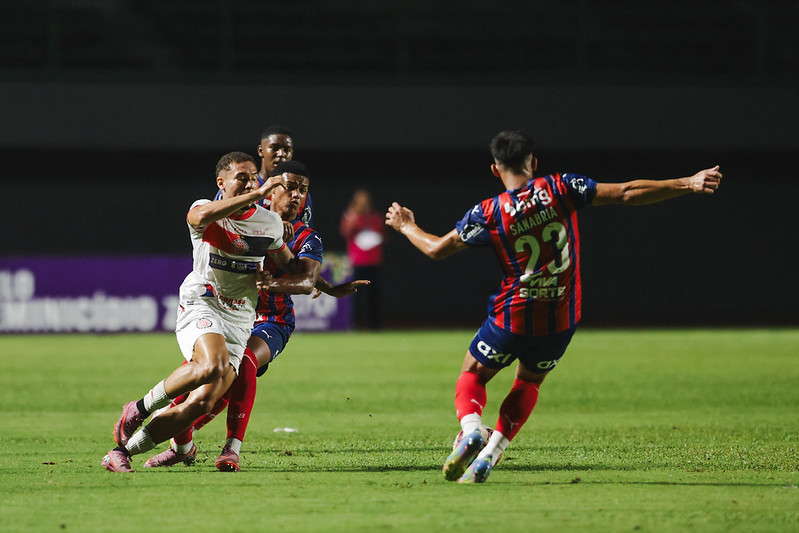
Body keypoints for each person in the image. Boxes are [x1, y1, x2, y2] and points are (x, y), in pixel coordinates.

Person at [384, 130, 722, 484]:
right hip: (559, 320)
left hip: (512, 316)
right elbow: (626, 192)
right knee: (529, 382)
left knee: (473, 373)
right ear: (533, 162)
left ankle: (471, 429)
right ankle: (493, 452)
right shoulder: (562, 189)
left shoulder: (489, 212)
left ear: (495, 170)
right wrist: (688, 183)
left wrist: (407, 226)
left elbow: (437, 249)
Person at [143, 162, 368, 471]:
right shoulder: (249, 215)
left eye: (302, 192)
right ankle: (182, 445)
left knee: (243, 362)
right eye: (289, 189)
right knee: (202, 372)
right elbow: (210, 218)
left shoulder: (306, 237)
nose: (294, 196)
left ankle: (230, 448)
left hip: (272, 320)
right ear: (270, 191)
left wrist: (283, 284)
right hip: (232, 313)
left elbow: (303, 279)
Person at [102, 151, 296, 472]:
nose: (250, 182)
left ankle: (121, 453)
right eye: (241, 178)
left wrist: (326, 286)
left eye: (253, 177)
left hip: (239, 319)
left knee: (201, 404)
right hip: (202, 302)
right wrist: (259, 194)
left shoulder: (269, 222)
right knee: (211, 365)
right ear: (222, 182)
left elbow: (290, 263)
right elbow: (198, 218)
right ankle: (138, 407)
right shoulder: (205, 209)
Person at [215, 125, 313, 226]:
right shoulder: (241, 186)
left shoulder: (299, 193)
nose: (281, 154)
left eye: (287, 150)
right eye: (275, 148)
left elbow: (303, 231)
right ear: (261, 151)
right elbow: (213, 218)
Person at [339, 188, 385, 329]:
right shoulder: (350, 216)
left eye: (366, 200)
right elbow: (345, 231)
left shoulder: (375, 217)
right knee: (355, 297)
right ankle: (354, 324)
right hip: (357, 263)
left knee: (374, 297)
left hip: (373, 262)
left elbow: (382, 235)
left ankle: (375, 326)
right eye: (361, 200)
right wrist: (354, 217)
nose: (363, 203)